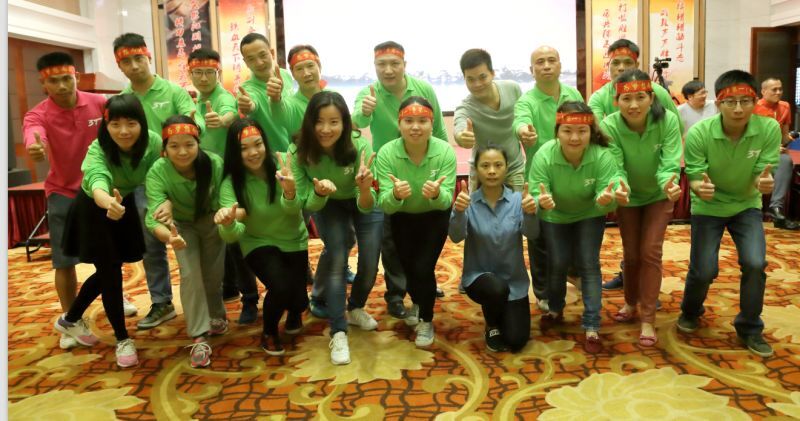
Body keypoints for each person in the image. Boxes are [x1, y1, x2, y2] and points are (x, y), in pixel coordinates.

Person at [54, 94, 162, 367]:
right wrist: (108, 202)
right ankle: (122, 339)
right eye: (115, 124)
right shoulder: (98, 148)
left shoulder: (153, 143)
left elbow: (158, 176)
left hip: (123, 204)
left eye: (131, 123)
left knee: (109, 270)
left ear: (142, 123)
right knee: (110, 273)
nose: (124, 131)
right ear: (106, 125)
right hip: (94, 208)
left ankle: (70, 319)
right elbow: (97, 180)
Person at [678, 70, 780, 358]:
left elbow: (764, 172)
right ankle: (690, 310)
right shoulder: (700, 133)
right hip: (709, 206)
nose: (738, 109)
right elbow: (694, 175)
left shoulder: (768, 129)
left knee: (755, 263)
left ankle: (750, 327)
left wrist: (764, 183)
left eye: (745, 101)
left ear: (755, 101)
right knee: (704, 269)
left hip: (746, 204)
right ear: (718, 102)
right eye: (730, 102)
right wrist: (699, 186)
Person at [22, 52, 121, 349]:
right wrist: (35, 148)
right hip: (63, 192)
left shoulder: (99, 102)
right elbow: (34, 135)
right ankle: (70, 320)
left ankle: (118, 295)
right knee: (64, 261)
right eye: (54, 81)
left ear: (76, 76)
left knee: (112, 253)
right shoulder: (38, 114)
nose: (63, 86)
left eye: (67, 78)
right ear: (44, 84)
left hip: (100, 188)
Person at [353, 41, 449, 318]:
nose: (388, 70)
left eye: (394, 64)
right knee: (392, 239)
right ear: (374, 66)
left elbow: (439, 131)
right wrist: (365, 111)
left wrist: (443, 163)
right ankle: (395, 294)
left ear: (404, 65)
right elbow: (356, 122)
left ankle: (423, 282)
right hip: (389, 173)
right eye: (381, 64)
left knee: (424, 235)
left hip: (424, 169)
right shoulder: (368, 93)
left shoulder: (423, 89)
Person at [290, 91, 383, 365]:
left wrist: (364, 189)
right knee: (337, 258)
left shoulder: (359, 146)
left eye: (334, 122)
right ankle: (338, 330)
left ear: (345, 123)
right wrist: (319, 193)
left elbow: (368, 203)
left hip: (360, 199)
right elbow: (306, 202)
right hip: (327, 203)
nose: (326, 129)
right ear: (309, 122)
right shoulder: (299, 151)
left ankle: (355, 308)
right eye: (319, 121)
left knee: (370, 262)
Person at [587, 38, 683, 292]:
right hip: (620, 180)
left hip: (655, 184)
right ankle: (629, 279)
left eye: (627, 63)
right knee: (631, 249)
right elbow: (598, 137)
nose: (621, 68)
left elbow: (673, 129)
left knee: (649, 249)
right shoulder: (599, 98)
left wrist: (668, 176)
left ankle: (647, 289)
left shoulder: (658, 92)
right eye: (615, 63)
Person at [114, 32, 195, 330]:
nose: (134, 66)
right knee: (152, 243)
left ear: (148, 56)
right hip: (142, 184)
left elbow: (192, 125)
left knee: (193, 238)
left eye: (139, 58)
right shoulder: (123, 100)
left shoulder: (173, 92)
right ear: (119, 66)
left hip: (180, 178)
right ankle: (162, 301)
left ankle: (206, 298)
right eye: (127, 61)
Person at [529, 100, 620, 354]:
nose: (575, 138)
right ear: (557, 131)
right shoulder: (545, 155)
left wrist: (606, 199)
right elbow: (536, 193)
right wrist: (541, 201)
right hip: (555, 215)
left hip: (589, 213)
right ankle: (555, 309)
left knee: (588, 264)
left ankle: (592, 324)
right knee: (557, 263)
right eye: (567, 130)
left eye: (582, 131)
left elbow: (609, 192)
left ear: (591, 131)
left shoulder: (602, 155)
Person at [600, 70, 682, 347]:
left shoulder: (667, 120)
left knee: (650, 251)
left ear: (651, 98)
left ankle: (648, 317)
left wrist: (668, 182)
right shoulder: (609, 125)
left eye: (640, 97)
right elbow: (615, 164)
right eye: (626, 99)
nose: (633, 105)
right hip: (629, 197)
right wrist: (620, 185)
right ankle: (630, 302)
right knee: (631, 253)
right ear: (617, 101)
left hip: (660, 194)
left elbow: (669, 161)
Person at [216, 119, 309, 356]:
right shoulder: (230, 183)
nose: (253, 152)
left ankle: (295, 310)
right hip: (257, 241)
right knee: (280, 286)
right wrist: (228, 223)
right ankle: (269, 332)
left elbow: (295, 209)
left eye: (257, 144)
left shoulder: (284, 166)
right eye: (244, 148)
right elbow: (231, 235)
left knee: (299, 301)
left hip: (293, 238)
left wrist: (290, 191)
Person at [145, 115, 227, 368]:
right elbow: (152, 217)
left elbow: (225, 198)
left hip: (212, 219)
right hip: (180, 227)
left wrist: (224, 215)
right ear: (164, 149)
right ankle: (199, 335)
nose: (182, 152)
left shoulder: (214, 163)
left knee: (213, 273)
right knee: (191, 274)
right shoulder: (158, 171)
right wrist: (169, 236)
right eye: (174, 146)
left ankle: (216, 313)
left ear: (198, 144)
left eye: (189, 145)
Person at [375, 96, 456, 348]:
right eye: (408, 121)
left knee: (423, 268)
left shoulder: (444, 151)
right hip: (401, 217)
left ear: (432, 124)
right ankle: (419, 303)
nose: (415, 127)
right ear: (399, 124)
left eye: (422, 121)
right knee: (409, 270)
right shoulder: (387, 153)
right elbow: (385, 204)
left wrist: (437, 194)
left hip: (434, 218)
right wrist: (396, 195)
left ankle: (426, 320)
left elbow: (446, 201)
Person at [185, 47, 258, 317]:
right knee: (217, 236)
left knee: (234, 239)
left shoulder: (222, 98)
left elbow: (229, 114)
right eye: (198, 73)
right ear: (191, 74)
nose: (204, 78)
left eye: (209, 72)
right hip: (204, 180)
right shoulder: (193, 101)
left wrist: (220, 120)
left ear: (218, 73)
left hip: (227, 178)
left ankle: (250, 298)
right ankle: (230, 287)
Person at [513, 45, 584, 312]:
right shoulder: (526, 101)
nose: (546, 66)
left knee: (575, 230)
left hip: (574, 175)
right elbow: (520, 121)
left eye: (551, 60)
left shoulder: (573, 94)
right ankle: (542, 292)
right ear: (531, 70)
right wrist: (524, 131)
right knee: (540, 240)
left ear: (560, 65)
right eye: (540, 62)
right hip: (540, 179)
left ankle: (573, 273)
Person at [448, 145, 538, 352]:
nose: (491, 171)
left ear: (506, 168)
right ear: (476, 169)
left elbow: (532, 234)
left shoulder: (518, 200)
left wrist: (531, 214)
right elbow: (455, 237)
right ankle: (492, 325)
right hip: (480, 278)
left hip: (513, 281)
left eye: (498, 165)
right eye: (485, 165)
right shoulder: (468, 201)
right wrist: (458, 212)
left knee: (516, 340)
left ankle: (503, 312)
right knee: (496, 289)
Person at [453, 48, 525, 191]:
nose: (477, 84)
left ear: (492, 73)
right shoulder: (465, 107)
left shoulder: (513, 89)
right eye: (470, 79)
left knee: (518, 205)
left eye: (482, 77)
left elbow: (523, 116)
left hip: (514, 169)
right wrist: (462, 137)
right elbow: (459, 129)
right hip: (482, 173)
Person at [236, 33, 295, 153]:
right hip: (275, 157)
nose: (259, 63)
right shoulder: (247, 89)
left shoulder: (285, 75)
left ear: (272, 53)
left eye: (262, 55)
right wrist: (248, 105)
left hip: (298, 151)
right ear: (246, 62)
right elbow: (250, 105)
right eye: (251, 59)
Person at [754, 77, 799, 230]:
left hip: (774, 153)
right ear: (763, 91)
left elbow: (784, 136)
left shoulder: (785, 106)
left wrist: (790, 138)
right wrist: (771, 148)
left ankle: (776, 208)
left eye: (780, 89)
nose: (778, 92)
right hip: (755, 151)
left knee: (786, 160)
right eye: (774, 89)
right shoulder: (754, 108)